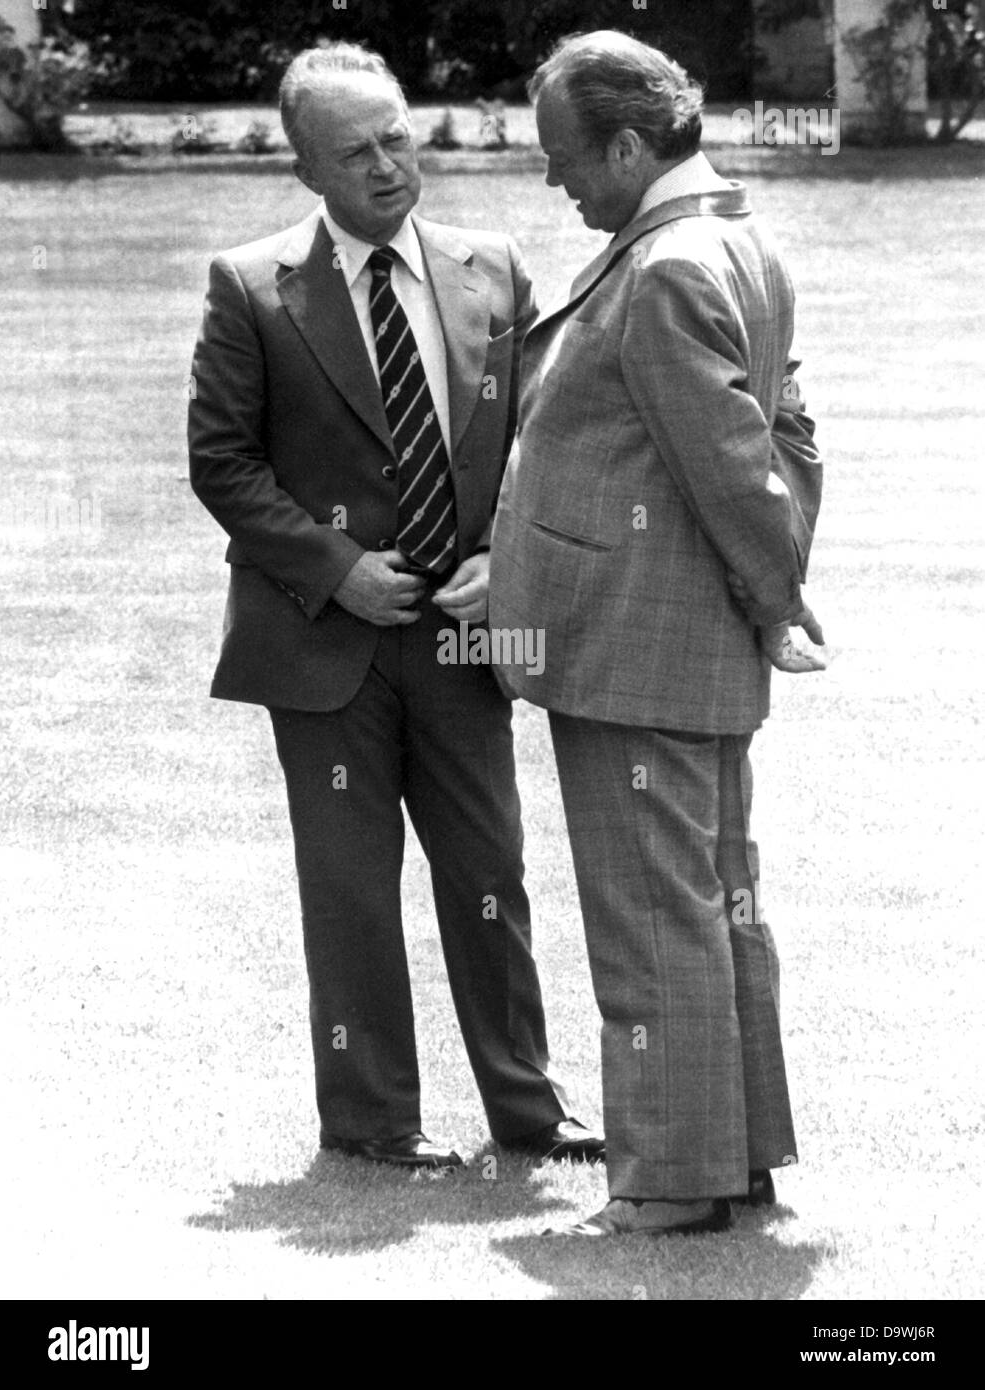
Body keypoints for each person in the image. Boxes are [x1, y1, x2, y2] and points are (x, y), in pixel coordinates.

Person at [188, 41, 603, 1170]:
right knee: (350, 885)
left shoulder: (495, 268)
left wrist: (503, 557)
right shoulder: (251, 285)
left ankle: (529, 1107)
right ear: (307, 171)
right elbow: (222, 465)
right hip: (324, 640)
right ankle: (371, 1118)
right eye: (354, 152)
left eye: (395, 138)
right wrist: (337, 569)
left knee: (491, 874)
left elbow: (539, 446)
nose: (385, 167)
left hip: (472, 632)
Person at [489, 30, 825, 1235]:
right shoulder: (737, 238)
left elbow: (741, 468)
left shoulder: (669, 264)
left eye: (565, 155)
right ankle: (734, 1155)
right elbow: (788, 440)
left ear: (630, 147)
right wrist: (765, 604)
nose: (554, 180)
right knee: (716, 899)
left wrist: (775, 598)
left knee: (654, 919)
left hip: (638, 653)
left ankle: (675, 1181)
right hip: (683, 645)